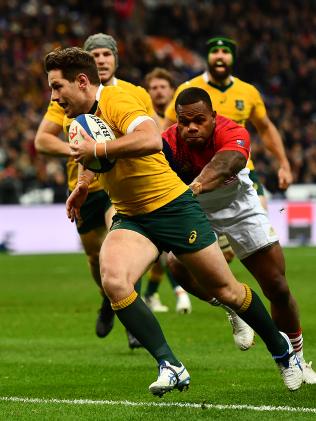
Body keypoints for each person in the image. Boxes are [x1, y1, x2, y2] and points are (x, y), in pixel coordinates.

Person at [45, 46, 303, 394]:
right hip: (131, 215)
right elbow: (92, 159)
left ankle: (282, 351)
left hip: (172, 207)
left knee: (226, 289)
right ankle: (170, 365)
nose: (53, 96)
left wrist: (100, 151)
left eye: (57, 87)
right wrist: (81, 185)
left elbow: (150, 139)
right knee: (115, 280)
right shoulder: (73, 116)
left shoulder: (118, 100)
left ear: (81, 81)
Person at [162, 86, 316, 384]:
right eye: (184, 121)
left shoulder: (233, 131)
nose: (190, 127)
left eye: (199, 120)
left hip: (238, 205)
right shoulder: (166, 142)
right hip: (195, 208)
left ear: (213, 118)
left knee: (277, 286)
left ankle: (296, 358)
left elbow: (226, 164)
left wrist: (195, 185)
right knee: (176, 266)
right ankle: (234, 307)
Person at [35, 33, 156, 349]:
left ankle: (132, 315)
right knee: (94, 256)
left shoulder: (134, 93)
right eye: (95, 54)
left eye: (106, 54)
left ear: (116, 58)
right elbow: (41, 140)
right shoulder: (64, 95)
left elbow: (156, 133)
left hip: (120, 185)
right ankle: (109, 298)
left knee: (123, 239)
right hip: (84, 184)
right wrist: (78, 151)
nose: (102, 59)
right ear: (84, 69)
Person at [164, 36, 293, 262]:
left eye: (225, 52)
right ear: (208, 58)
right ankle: (223, 288)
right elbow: (167, 130)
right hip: (195, 172)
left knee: (257, 237)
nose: (220, 56)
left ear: (232, 58)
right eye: (215, 52)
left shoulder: (248, 92)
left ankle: (232, 283)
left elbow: (265, 129)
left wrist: (284, 164)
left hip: (240, 169)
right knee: (197, 253)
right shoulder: (189, 89)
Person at [143, 67, 192, 314]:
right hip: (154, 186)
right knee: (164, 247)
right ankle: (180, 293)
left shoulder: (184, 119)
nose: (158, 91)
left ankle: (150, 294)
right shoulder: (142, 117)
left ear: (172, 91)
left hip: (179, 182)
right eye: (153, 87)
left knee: (162, 251)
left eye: (163, 87)